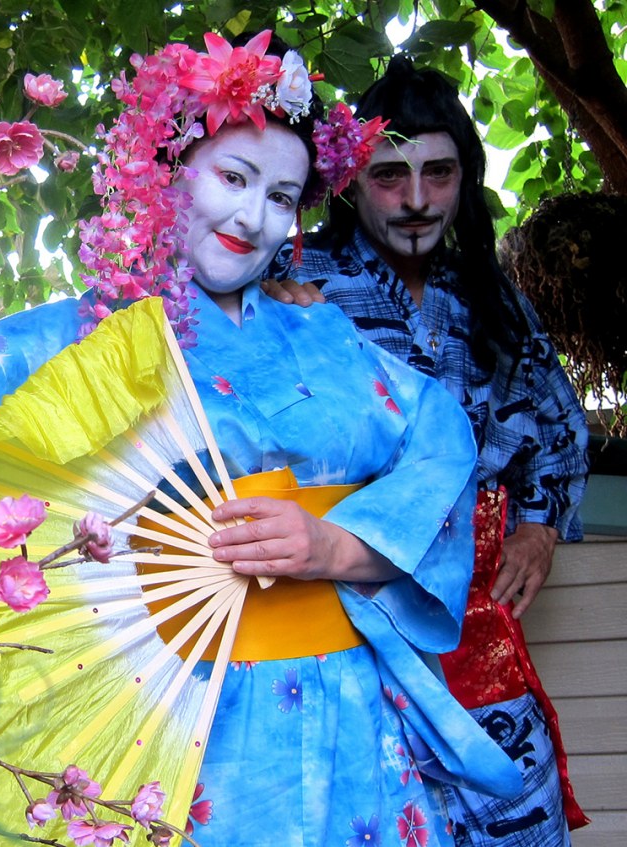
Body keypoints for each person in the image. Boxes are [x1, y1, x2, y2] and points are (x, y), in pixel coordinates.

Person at [0, 33, 523, 847]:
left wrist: (339, 548)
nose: (251, 216)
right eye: (232, 178)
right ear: (168, 174)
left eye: (280, 196)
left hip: (349, 724)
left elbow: (440, 438)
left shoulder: (328, 339)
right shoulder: (92, 334)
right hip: (181, 725)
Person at [266, 55, 589, 846]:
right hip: (336, 619)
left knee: (518, 816)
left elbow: (560, 430)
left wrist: (540, 527)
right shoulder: (292, 281)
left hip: (474, 625)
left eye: (439, 173)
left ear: (465, 175)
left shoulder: (492, 297)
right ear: (347, 182)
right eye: (389, 176)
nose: (416, 200)